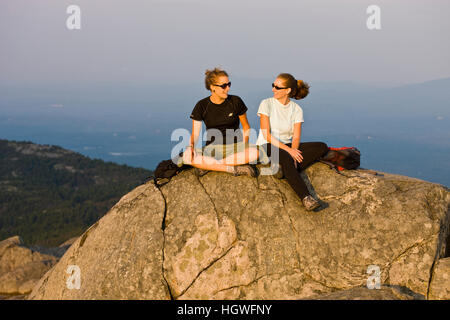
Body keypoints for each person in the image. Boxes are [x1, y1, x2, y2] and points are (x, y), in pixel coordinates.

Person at [256, 73, 328, 211]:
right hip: (267, 145)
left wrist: (294, 151)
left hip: (287, 145)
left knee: (321, 146)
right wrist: (290, 152)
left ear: (287, 90)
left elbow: (295, 137)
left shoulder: (296, 109)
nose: (273, 89)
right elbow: (266, 134)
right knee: (286, 157)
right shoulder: (266, 104)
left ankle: (284, 170)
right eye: (273, 85)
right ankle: (306, 197)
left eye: (277, 87)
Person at [180, 68, 268, 176]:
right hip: (212, 149)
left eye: (229, 84)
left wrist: (244, 145)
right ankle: (232, 169)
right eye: (223, 86)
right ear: (212, 87)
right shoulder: (202, 106)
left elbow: (246, 127)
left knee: (255, 153)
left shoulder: (236, 101)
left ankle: (211, 166)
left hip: (236, 146)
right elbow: (195, 134)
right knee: (187, 157)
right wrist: (190, 147)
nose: (228, 88)